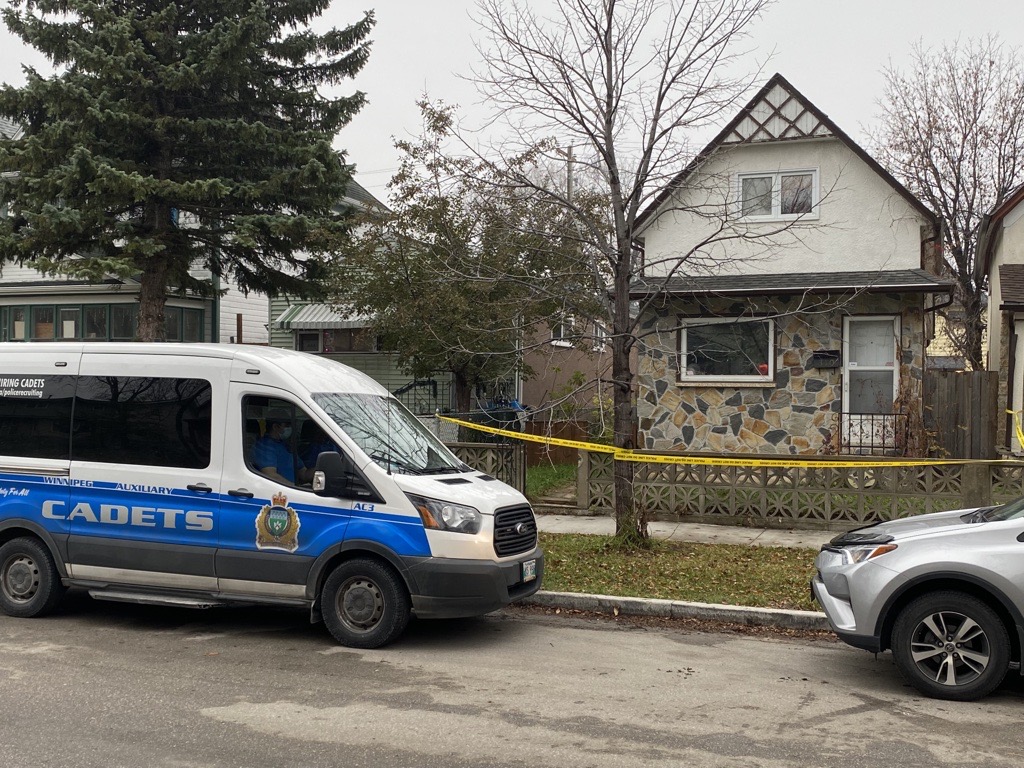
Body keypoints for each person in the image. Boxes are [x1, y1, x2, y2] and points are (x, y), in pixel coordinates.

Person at [251, 407, 311, 484]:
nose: (290, 428)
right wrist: (293, 487)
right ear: (275, 427)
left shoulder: (286, 446)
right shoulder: (264, 446)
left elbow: (304, 474)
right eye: (287, 425)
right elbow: (270, 475)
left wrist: (321, 468)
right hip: (278, 490)